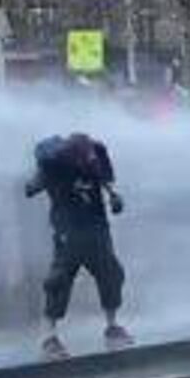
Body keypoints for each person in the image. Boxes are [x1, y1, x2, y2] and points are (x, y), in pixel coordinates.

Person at [27, 133, 131, 359]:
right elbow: (32, 186)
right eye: (83, 160)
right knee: (59, 279)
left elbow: (106, 182)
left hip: (96, 226)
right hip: (68, 230)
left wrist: (114, 197)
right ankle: (49, 337)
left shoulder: (96, 157)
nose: (88, 163)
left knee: (111, 273)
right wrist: (39, 183)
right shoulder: (54, 164)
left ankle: (113, 326)